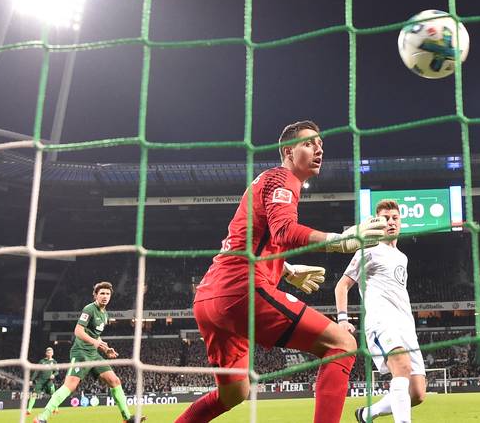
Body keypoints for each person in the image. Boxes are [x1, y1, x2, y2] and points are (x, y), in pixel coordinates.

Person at [175, 120, 390, 423]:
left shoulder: (264, 182)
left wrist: (286, 270)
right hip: (241, 292)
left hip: (209, 300)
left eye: (320, 145)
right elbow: (285, 231)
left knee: (234, 393)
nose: (319, 150)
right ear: (288, 151)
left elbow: (246, 238)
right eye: (309, 143)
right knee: (342, 345)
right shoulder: (282, 179)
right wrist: (341, 240)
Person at [336, 200, 428, 423]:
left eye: (395, 218)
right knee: (402, 366)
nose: (391, 222)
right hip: (381, 321)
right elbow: (342, 285)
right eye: (386, 218)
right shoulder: (368, 250)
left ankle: (367, 414)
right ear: (379, 222)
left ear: (401, 222)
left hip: (406, 325)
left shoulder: (402, 257)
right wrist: (343, 319)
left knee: (416, 394)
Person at [34, 282, 143, 423]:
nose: (105, 296)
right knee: (70, 385)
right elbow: (78, 331)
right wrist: (95, 342)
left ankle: (127, 418)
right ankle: (42, 417)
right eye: (102, 293)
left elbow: (95, 335)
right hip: (81, 352)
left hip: (94, 354)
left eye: (107, 294)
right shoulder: (89, 309)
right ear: (96, 295)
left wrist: (105, 348)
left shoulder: (105, 315)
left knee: (115, 381)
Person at [27, 347, 58, 416]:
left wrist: (53, 375)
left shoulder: (54, 362)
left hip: (49, 382)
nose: (49, 353)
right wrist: (31, 380)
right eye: (48, 352)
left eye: (50, 352)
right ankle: (28, 410)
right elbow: (37, 371)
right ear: (46, 353)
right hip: (40, 381)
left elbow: (57, 372)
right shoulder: (42, 361)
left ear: (52, 353)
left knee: (53, 395)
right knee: (34, 394)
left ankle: (56, 409)